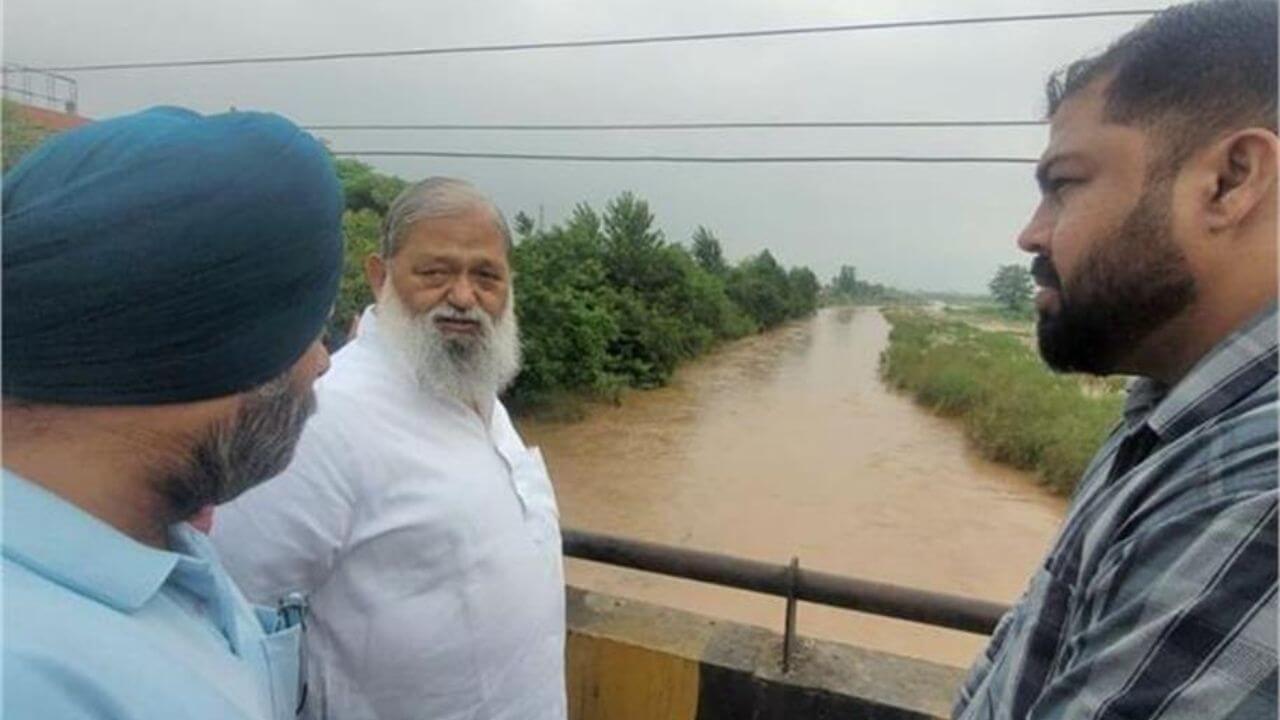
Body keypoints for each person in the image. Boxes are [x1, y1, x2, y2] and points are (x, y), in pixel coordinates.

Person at [955, 1, 1277, 717]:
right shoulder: (1168, 415)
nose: (1030, 234)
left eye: (1064, 185)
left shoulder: (1261, 483)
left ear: (1229, 181)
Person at [2, 107, 344, 719]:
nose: (322, 363)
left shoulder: (156, 529)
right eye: (311, 329)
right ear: (220, 346)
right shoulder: (31, 684)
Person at [214, 177, 566, 720]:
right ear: (380, 276)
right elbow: (228, 612)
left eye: (486, 276)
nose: (464, 297)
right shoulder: (323, 417)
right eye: (435, 273)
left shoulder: (480, 395)